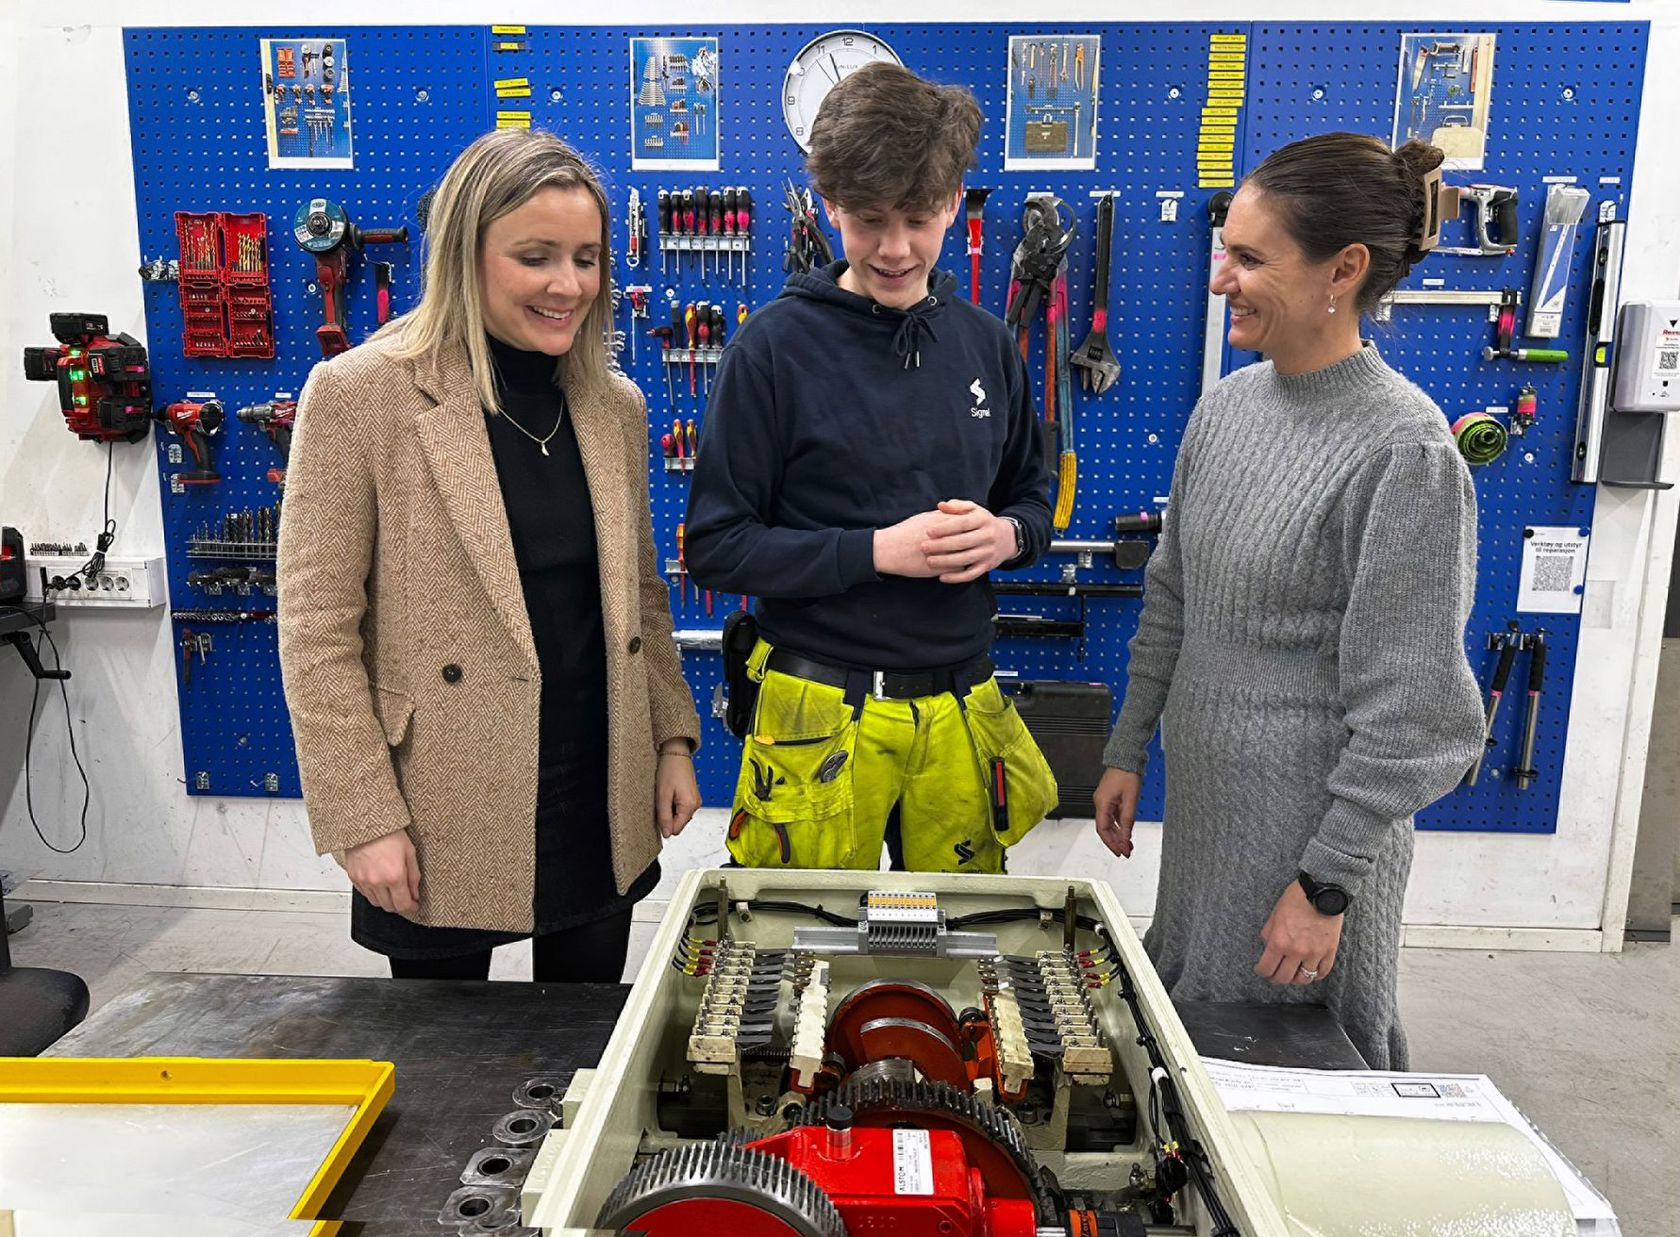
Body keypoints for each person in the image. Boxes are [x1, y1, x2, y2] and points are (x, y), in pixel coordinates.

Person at [1091, 132, 1485, 1070]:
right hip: (1209, 827)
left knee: (1299, 1082)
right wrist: (1126, 745)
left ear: (1343, 270)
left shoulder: (1405, 451)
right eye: (1227, 250)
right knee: (1194, 1066)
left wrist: (1326, 886)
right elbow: (1173, 597)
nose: (1220, 278)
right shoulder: (1225, 410)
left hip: (1305, 851)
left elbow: (1421, 717)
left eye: (1250, 258)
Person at [277, 128, 700, 982]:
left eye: (586, 258)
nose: (567, 284)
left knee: (582, 1040)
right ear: (464, 255)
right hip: (441, 796)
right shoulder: (361, 394)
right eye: (535, 257)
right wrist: (362, 815)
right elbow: (316, 631)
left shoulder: (613, 404)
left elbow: (641, 595)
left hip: (598, 789)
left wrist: (673, 739)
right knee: (442, 1056)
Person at [685, 63, 1056, 875]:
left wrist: (1007, 536)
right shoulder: (770, 349)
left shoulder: (989, 344)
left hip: (962, 707)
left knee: (958, 938)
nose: (895, 248)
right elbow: (715, 546)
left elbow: (1034, 497)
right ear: (829, 205)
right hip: (815, 710)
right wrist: (878, 551)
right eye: (868, 219)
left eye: (918, 219)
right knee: (796, 936)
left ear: (954, 202)